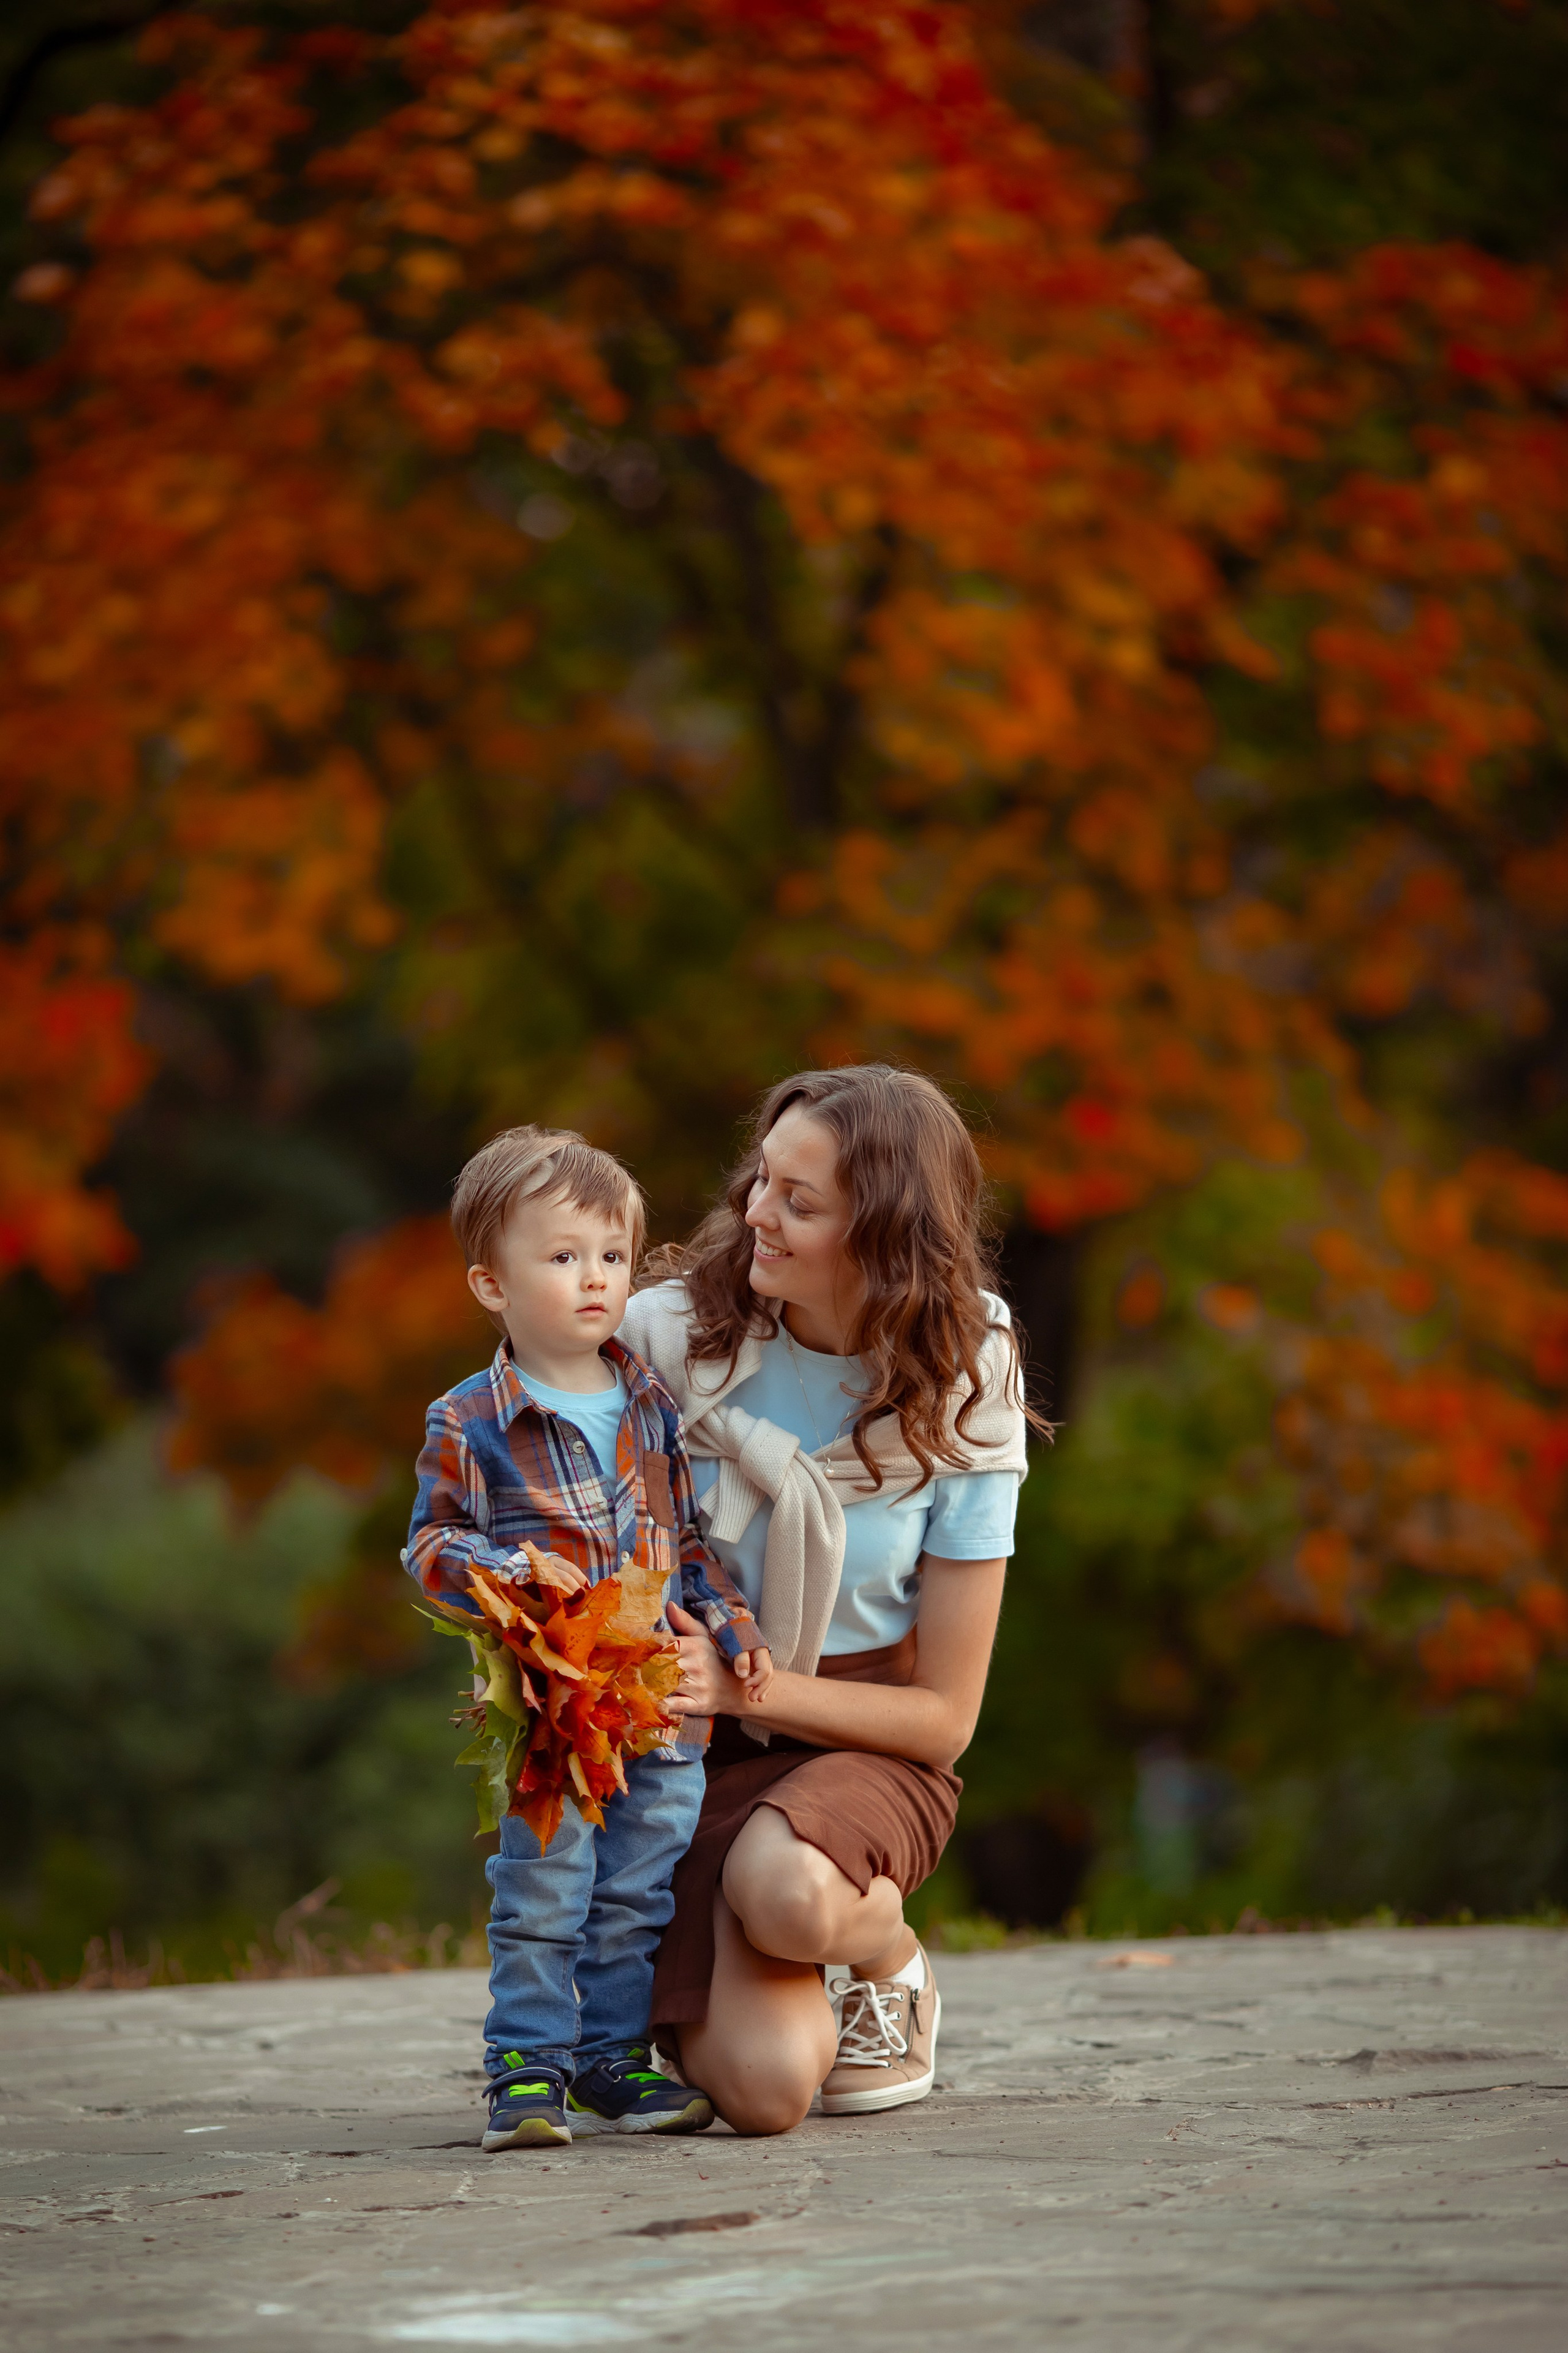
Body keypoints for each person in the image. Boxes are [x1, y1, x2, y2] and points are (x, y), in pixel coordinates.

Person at [620, 1063, 1042, 2136]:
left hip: (865, 1743)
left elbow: (945, 1719)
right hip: (690, 1746)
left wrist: (757, 1685)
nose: (755, 1212)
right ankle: (701, 1965)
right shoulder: (666, 1338)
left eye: (800, 1203)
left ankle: (884, 1957)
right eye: (763, 1180)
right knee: (767, 2096)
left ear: (887, 1235)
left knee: (793, 1893)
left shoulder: (967, 1368)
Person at [404, 1125, 770, 2153]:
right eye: (562, 1257)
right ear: (492, 1283)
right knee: (545, 1888)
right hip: (555, 1712)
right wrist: (514, 1573)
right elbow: (428, 1548)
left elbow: (685, 1544)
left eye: (612, 1256)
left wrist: (732, 1622)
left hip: (658, 1707)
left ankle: (612, 2059)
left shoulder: (648, 1403)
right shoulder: (471, 1418)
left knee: (636, 1891)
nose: (596, 1278)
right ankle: (525, 2069)